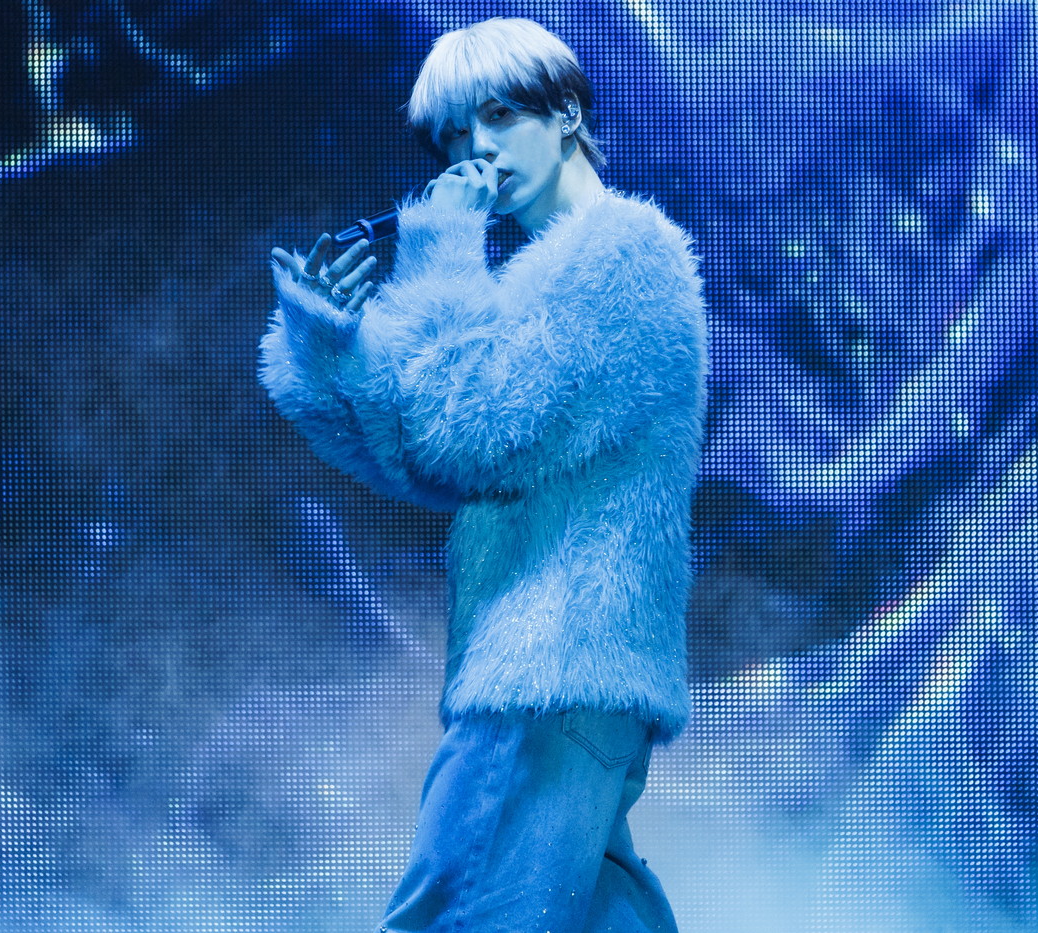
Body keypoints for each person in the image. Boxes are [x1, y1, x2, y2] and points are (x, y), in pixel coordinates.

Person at [261, 17, 706, 932]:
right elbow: (417, 457)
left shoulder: (622, 258)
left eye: (498, 115)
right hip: (570, 684)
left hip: (549, 675)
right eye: (454, 134)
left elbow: (470, 432)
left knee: (451, 916)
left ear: (567, 112)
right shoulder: (546, 287)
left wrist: (438, 247)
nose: (476, 150)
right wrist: (331, 347)